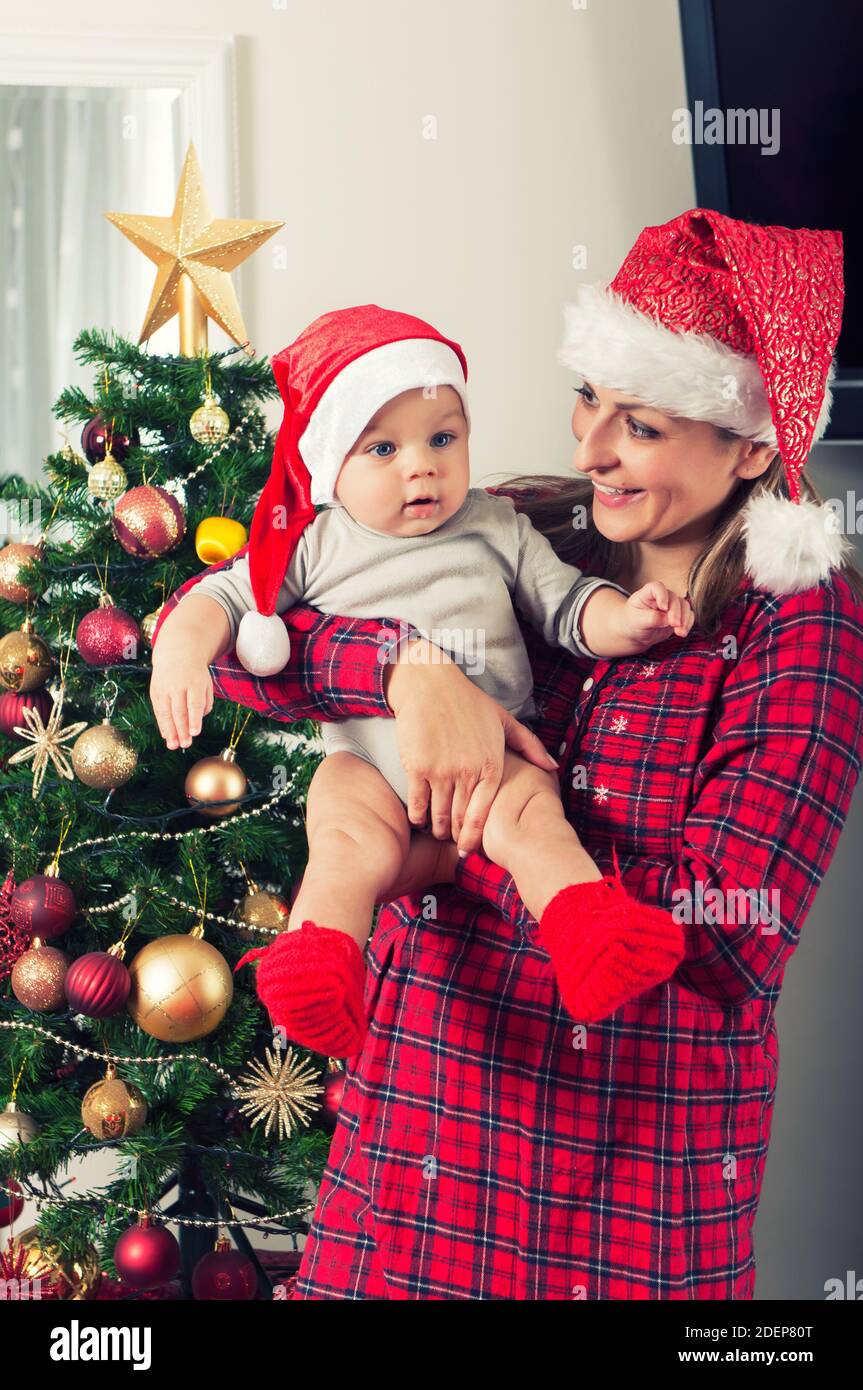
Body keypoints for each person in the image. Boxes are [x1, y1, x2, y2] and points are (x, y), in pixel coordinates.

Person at [151, 208, 863, 1298]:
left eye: (641, 424)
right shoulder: (526, 521)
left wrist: (460, 844)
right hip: (404, 1165)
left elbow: (733, 935)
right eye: (588, 400)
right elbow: (251, 656)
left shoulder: (795, 624)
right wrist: (408, 668)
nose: (588, 450)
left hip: (610, 1206)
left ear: (752, 442)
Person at [151, 304, 693, 1058]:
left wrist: (627, 621)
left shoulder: (496, 524)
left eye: (443, 438)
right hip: (367, 764)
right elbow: (222, 597)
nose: (421, 466)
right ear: (333, 463)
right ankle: (317, 962)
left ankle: (587, 931)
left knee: (535, 819)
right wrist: (179, 651)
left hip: (488, 761)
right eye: (382, 448)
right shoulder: (314, 542)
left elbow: (567, 604)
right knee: (341, 839)